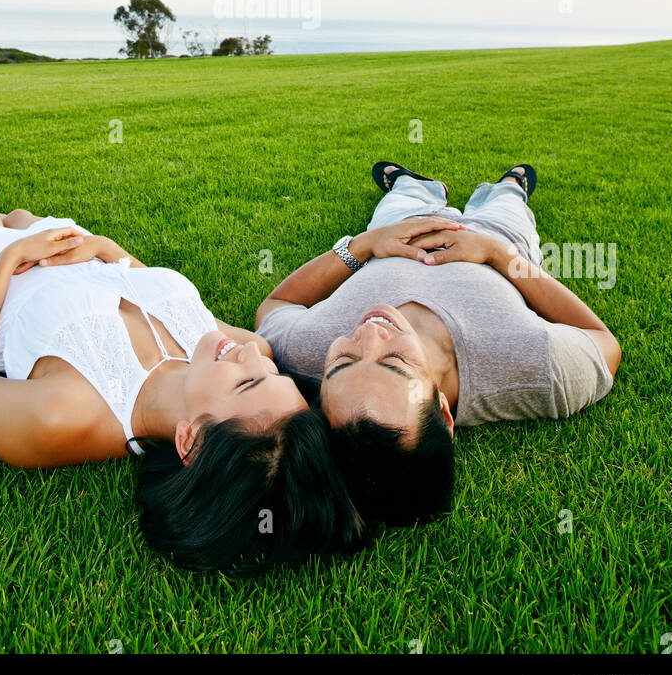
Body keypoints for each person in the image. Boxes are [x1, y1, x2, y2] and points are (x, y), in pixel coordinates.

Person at [0, 138, 362, 572]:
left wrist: (8, 260)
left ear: (190, 440)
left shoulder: (65, 416)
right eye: (274, 373)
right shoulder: (228, 352)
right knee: (19, 213)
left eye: (248, 381)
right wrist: (104, 248)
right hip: (81, 254)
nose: (254, 356)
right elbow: (147, 288)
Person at [255, 161, 621, 528]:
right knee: (507, 200)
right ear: (443, 413)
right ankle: (509, 185)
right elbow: (603, 342)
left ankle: (418, 185)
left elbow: (276, 307)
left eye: (344, 360)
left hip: (400, 228)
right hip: (500, 234)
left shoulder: (306, 352)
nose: (370, 333)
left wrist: (365, 245)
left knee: (403, 197)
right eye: (395, 362)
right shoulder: (537, 367)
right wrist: (496, 254)